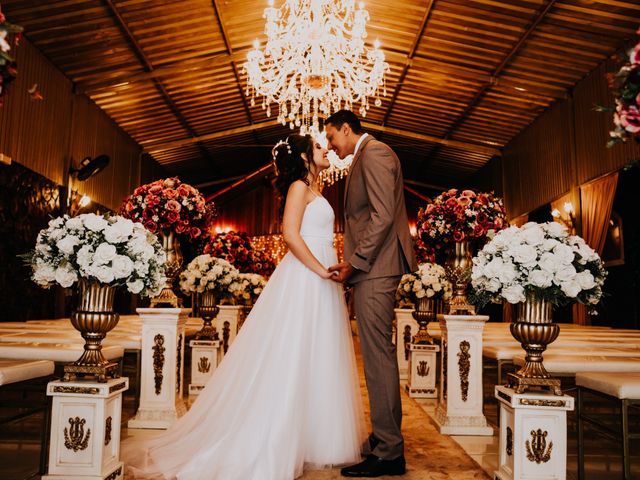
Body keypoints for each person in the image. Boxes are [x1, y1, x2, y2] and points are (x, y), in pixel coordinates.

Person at [122, 134, 366, 479]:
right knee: (293, 354)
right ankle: (274, 434)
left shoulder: (316, 189)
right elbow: (290, 235)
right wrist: (321, 270)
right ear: (303, 155)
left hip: (322, 279)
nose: (326, 149)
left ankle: (314, 438)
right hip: (308, 277)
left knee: (318, 353)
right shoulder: (298, 187)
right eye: (317, 147)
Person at [325, 110, 417, 478]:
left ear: (347, 129)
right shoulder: (364, 156)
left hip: (376, 267)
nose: (331, 146)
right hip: (372, 267)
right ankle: (384, 440)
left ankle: (390, 451)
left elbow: (380, 216)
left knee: (378, 357)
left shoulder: (375, 153)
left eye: (332, 137)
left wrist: (355, 262)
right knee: (377, 356)